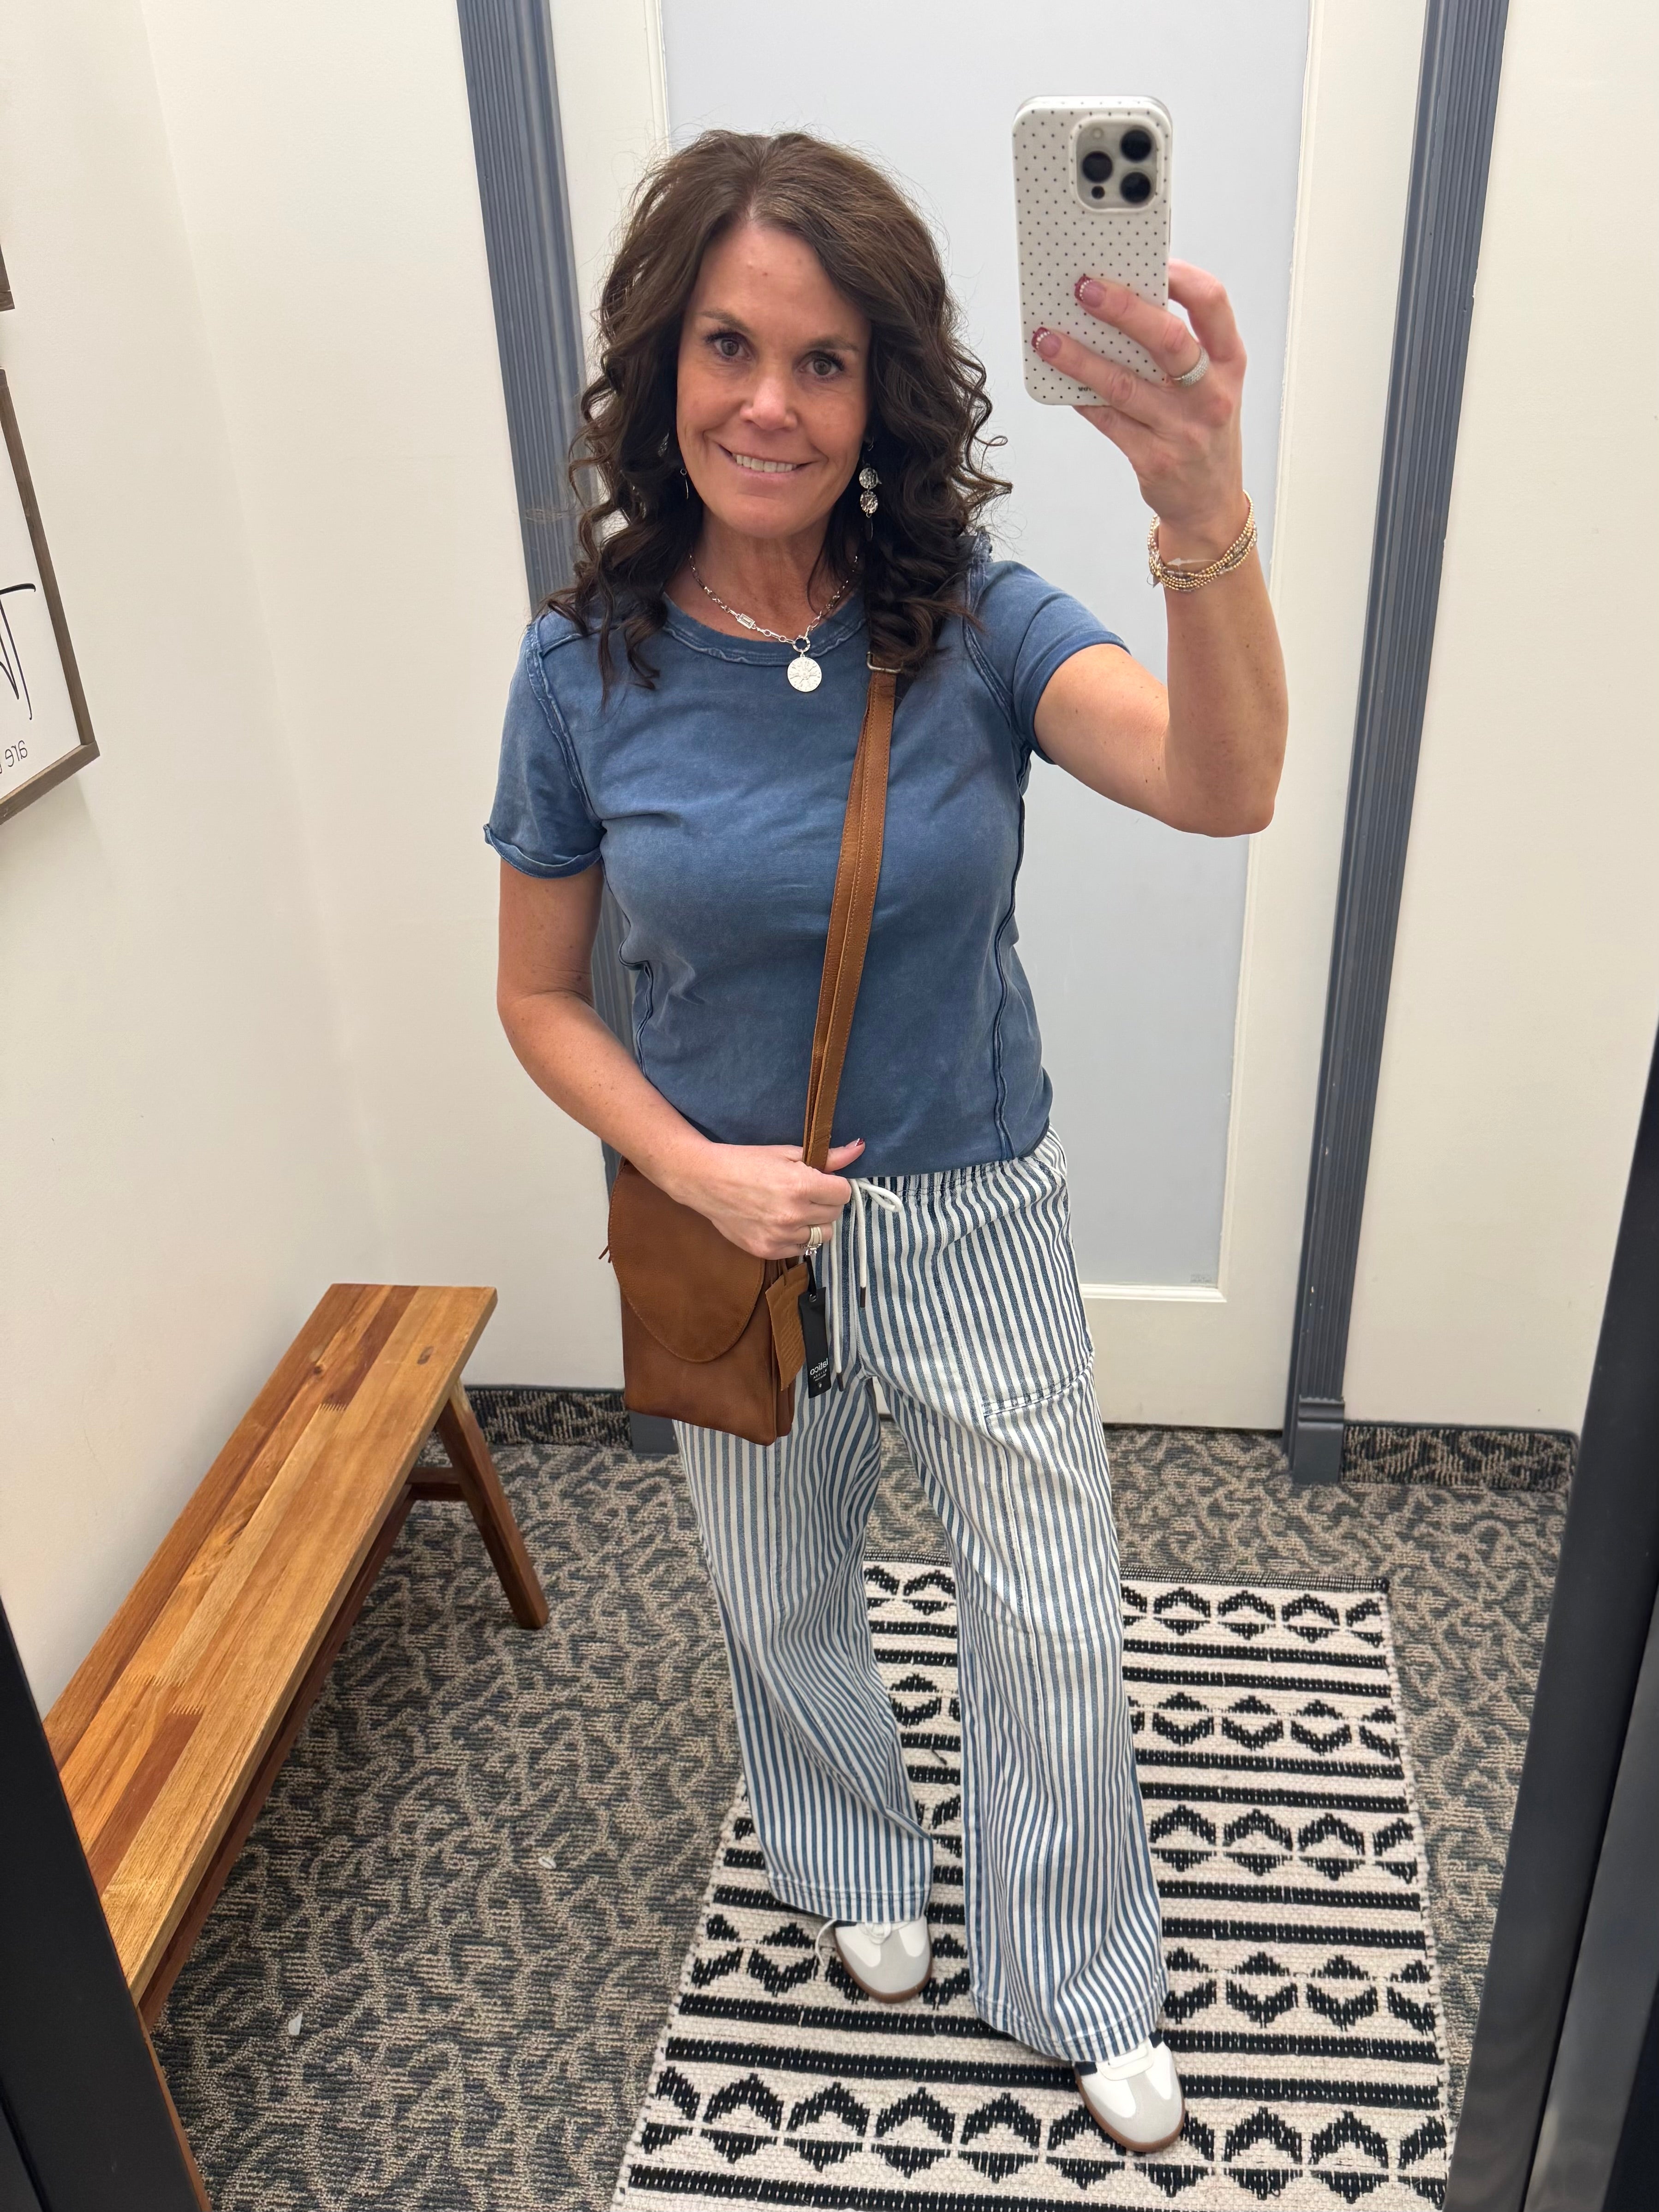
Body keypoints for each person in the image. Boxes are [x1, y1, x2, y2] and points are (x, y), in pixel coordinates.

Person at [488, 129, 1286, 2157]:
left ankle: (1077, 1966)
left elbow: (1222, 785)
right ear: (662, 366)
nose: (769, 401)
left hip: (969, 1201)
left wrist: (1199, 507)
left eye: (823, 360)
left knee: (1050, 1611)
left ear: (881, 396)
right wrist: (692, 1167)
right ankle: (850, 1854)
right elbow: (539, 998)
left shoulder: (976, 622)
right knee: (777, 1593)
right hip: (723, 1225)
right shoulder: (582, 666)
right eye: (728, 345)